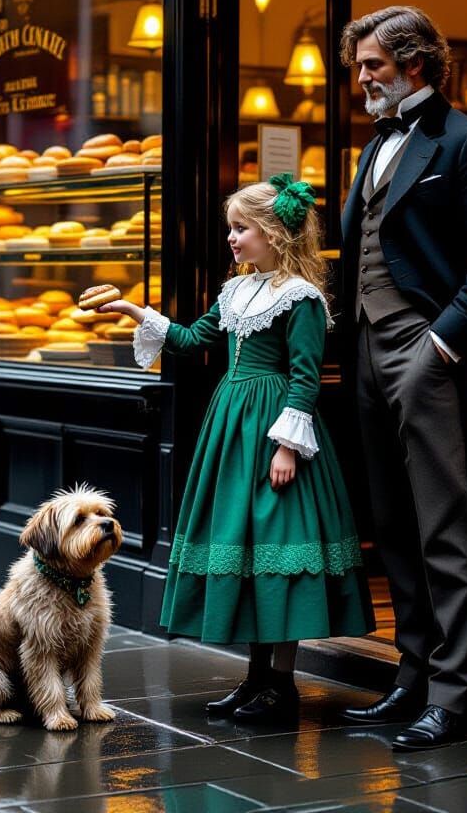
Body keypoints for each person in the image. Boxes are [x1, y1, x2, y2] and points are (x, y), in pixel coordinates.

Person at [102, 177, 373, 724]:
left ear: (274, 233)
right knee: (245, 550)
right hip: (230, 430)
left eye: (240, 227)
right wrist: (135, 311)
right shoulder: (236, 291)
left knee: (278, 547)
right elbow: (191, 340)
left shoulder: (301, 299)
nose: (231, 237)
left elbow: (304, 377)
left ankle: (282, 683)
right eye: (232, 227)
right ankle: (254, 679)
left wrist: (288, 447)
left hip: (273, 428)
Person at [337, 6, 467, 751]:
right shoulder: (374, 147)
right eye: (359, 67)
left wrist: (440, 347)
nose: (362, 80)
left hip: (429, 350)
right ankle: (411, 674)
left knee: (445, 527)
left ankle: (454, 695)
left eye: (372, 66)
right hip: (366, 350)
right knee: (392, 524)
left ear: (414, 63)